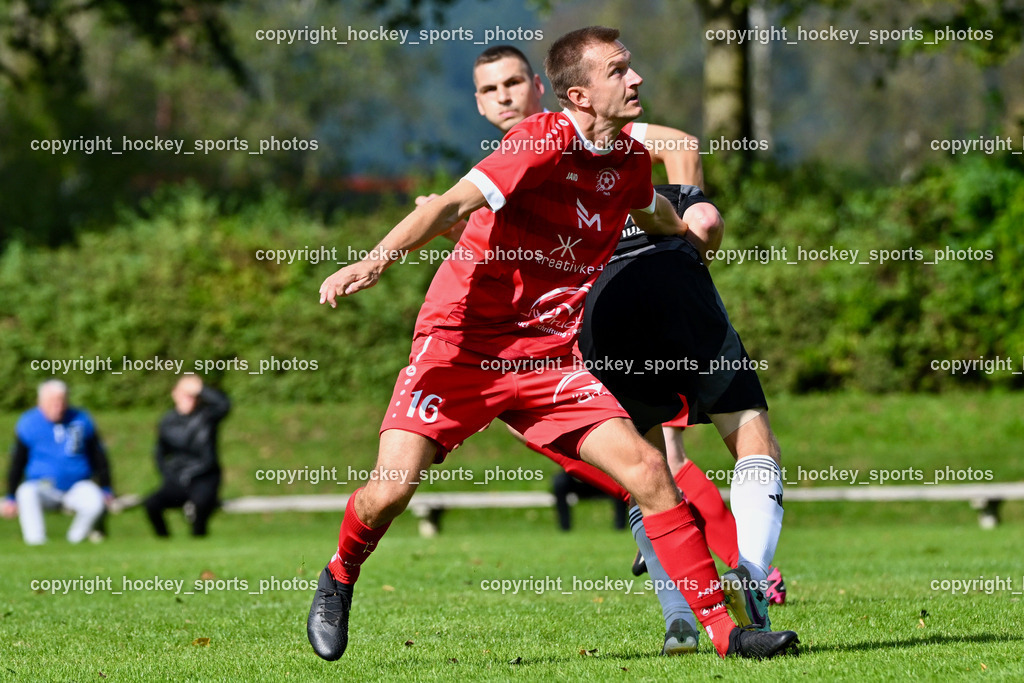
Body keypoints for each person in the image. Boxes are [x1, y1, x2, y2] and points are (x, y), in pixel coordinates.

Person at [307, 26, 798, 662]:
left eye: (631, 66)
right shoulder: (540, 141)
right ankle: (339, 575)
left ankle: (728, 632)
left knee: (651, 471)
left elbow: (651, 210)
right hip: (462, 347)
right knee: (391, 491)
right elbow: (450, 204)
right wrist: (372, 262)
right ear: (579, 94)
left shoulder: (623, 160)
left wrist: (690, 234)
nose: (636, 78)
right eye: (619, 70)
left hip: (548, 359)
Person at [466, 44, 789, 651]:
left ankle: (681, 610)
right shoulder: (523, 157)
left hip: (593, 318)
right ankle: (744, 571)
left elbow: (680, 148)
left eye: (513, 82)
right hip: (607, 311)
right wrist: (691, 232)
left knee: (653, 469)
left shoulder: (597, 129)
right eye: (490, 89)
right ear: (480, 105)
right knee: (705, 447)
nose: (505, 96)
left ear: (546, 88)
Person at [3, 380, 112, 545]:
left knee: (95, 501)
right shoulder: (28, 423)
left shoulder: (81, 419)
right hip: (43, 487)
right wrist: (11, 496)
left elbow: (98, 457)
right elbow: (18, 462)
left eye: (61, 401)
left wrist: (106, 488)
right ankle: (36, 542)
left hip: (77, 486)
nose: (58, 406)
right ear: (41, 402)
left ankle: (74, 541)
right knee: (26, 492)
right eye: (53, 402)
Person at [142, 376, 230, 537]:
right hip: (178, 477)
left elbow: (224, 405)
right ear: (175, 394)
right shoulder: (167, 421)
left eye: (192, 395)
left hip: (204, 476)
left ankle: (198, 538)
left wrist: (201, 388)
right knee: (151, 504)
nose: (188, 399)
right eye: (184, 394)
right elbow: (159, 454)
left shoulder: (206, 416)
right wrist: (168, 475)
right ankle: (164, 541)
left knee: (201, 504)